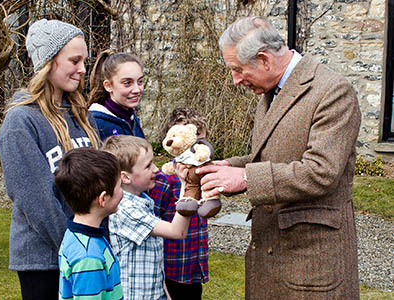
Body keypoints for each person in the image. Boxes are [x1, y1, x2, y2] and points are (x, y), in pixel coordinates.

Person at [196, 16, 361, 300]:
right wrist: (230, 167)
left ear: (264, 59)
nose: (235, 80)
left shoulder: (333, 91)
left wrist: (245, 177)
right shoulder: (272, 91)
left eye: (237, 70)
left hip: (312, 268)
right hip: (271, 258)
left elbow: (320, 172)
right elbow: (275, 155)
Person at [0, 19, 99, 299]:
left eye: (84, 60)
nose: (83, 69)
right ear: (48, 62)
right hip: (44, 260)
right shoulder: (21, 121)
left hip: (90, 250)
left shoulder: (80, 114)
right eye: (74, 60)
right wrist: (75, 247)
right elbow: (36, 199)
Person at [102, 135, 191, 300]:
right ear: (125, 177)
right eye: (148, 166)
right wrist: (187, 187)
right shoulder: (126, 210)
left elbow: (153, 262)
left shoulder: (143, 202)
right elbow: (177, 232)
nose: (156, 169)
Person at [150, 108, 209, 300]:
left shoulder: (201, 174)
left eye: (200, 141)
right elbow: (153, 219)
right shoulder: (165, 179)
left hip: (193, 264)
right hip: (172, 268)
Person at [54, 147, 123, 300]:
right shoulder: (89, 258)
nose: (123, 192)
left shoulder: (76, 234)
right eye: (120, 186)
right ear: (103, 199)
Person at [88, 50, 145, 140]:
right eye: (127, 83)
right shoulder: (96, 125)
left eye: (140, 81)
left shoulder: (132, 119)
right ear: (108, 86)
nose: (137, 90)